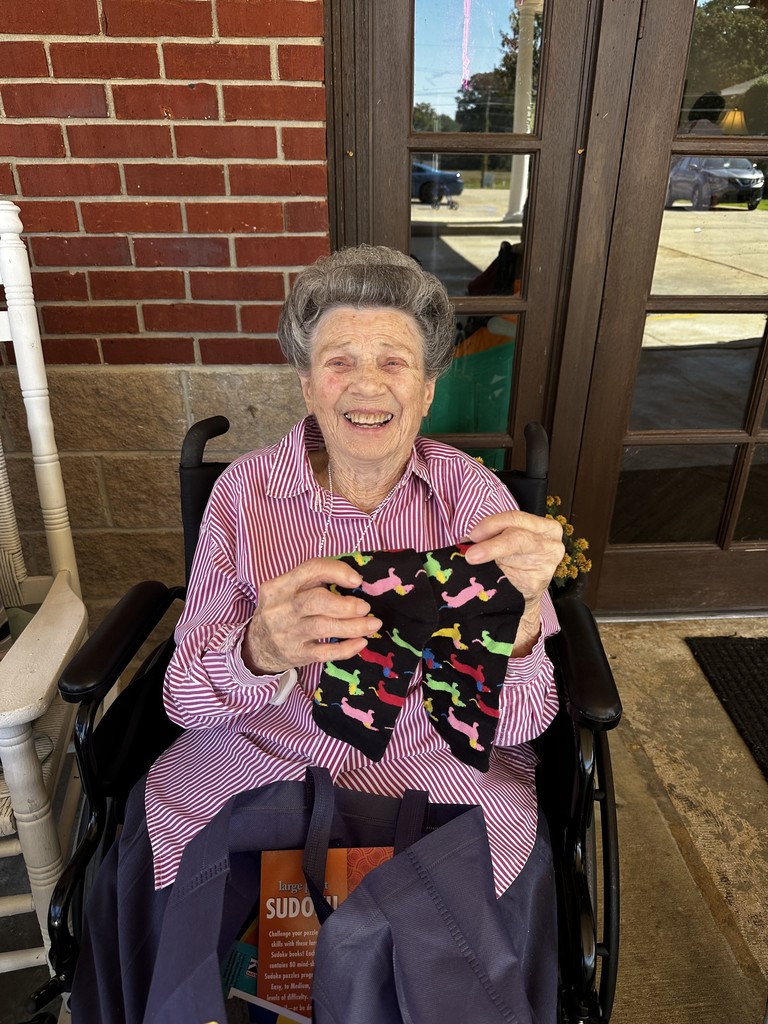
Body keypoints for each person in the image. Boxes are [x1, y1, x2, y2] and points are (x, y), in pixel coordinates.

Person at [144, 244, 565, 1018]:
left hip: (434, 781)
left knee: (428, 973)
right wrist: (258, 649)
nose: (367, 384)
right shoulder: (243, 496)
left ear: (429, 389)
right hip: (256, 771)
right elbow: (183, 702)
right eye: (339, 361)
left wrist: (526, 616)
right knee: (230, 981)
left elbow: (527, 722)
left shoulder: (475, 498)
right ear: (306, 384)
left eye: (394, 362)